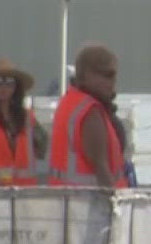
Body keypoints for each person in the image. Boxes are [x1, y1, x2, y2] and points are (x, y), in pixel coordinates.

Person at [47, 44, 128, 188]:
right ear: (86, 75)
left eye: (114, 75)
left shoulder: (70, 102)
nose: (113, 82)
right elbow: (101, 170)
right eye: (107, 75)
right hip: (90, 204)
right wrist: (116, 206)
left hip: (69, 201)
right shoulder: (90, 112)